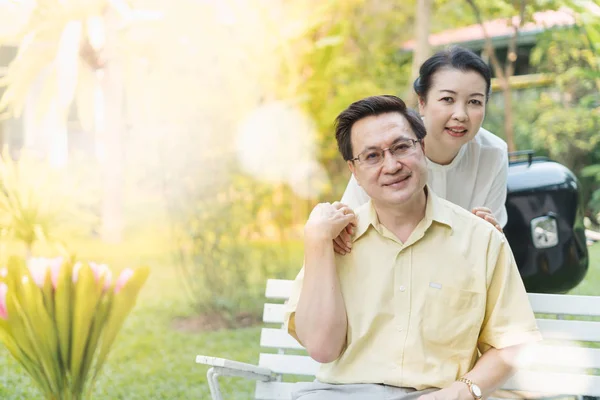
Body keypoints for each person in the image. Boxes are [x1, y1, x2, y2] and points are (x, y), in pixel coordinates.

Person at [284, 95, 541, 400]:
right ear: (354, 170)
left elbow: (513, 342)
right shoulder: (335, 239)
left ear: (422, 148)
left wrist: (461, 391)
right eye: (372, 156)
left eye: (401, 147)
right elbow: (322, 349)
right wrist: (316, 242)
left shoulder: (481, 239)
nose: (392, 165)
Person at [335, 46, 507, 255]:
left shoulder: (494, 153)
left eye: (474, 102)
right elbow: (349, 228)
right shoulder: (386, 152)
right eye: (447, 99)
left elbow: (489, 237)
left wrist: (492, 232)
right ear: (422, 102)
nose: (461, 115)